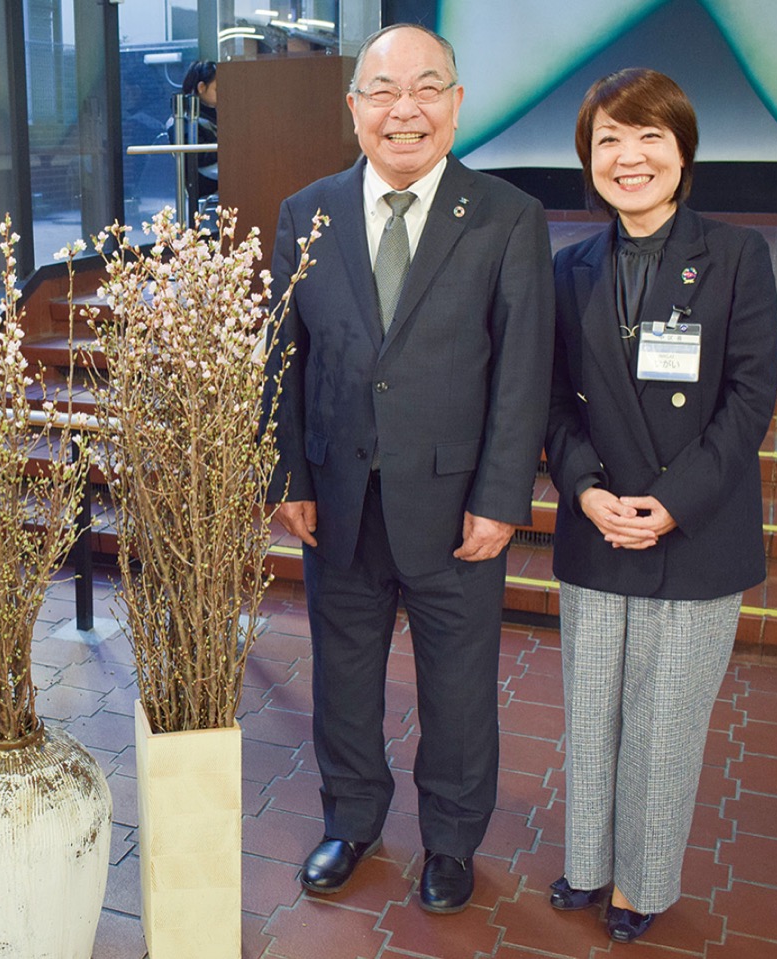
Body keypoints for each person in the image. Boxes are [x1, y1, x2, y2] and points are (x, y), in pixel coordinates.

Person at [263, 24, 553, 913]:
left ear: (457, 106)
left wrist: (503, 497)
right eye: (383, 91)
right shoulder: (306, 211)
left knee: (459, 689)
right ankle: (351, 820)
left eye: (427, 88)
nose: (405, 110)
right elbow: (285, 359)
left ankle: (452, 841)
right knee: (343, 678)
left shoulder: (507, 217)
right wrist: (289, 480)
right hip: (338, 499)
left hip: (458, 506)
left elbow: (522, 372)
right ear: (354, 108)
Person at [544, 68, 777, 943]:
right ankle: (590, 863)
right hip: (598, 521)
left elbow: (751, 397)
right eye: (608, 139)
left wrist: (670, 502)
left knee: (665, 720)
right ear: (588, 159)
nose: (628, 156)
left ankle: (643, 883)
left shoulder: (737, 255)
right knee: (594, 706)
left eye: (649, 137)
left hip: (697, 526)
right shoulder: (569, 268)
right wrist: (588, 490)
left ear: (682, 153)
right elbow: (553, 404)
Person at [180, 59, 218, 199]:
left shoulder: (211, 114)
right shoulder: (184, 120)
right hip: (205, 185)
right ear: (201, 87)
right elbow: (198, 157)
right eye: (217, 89)